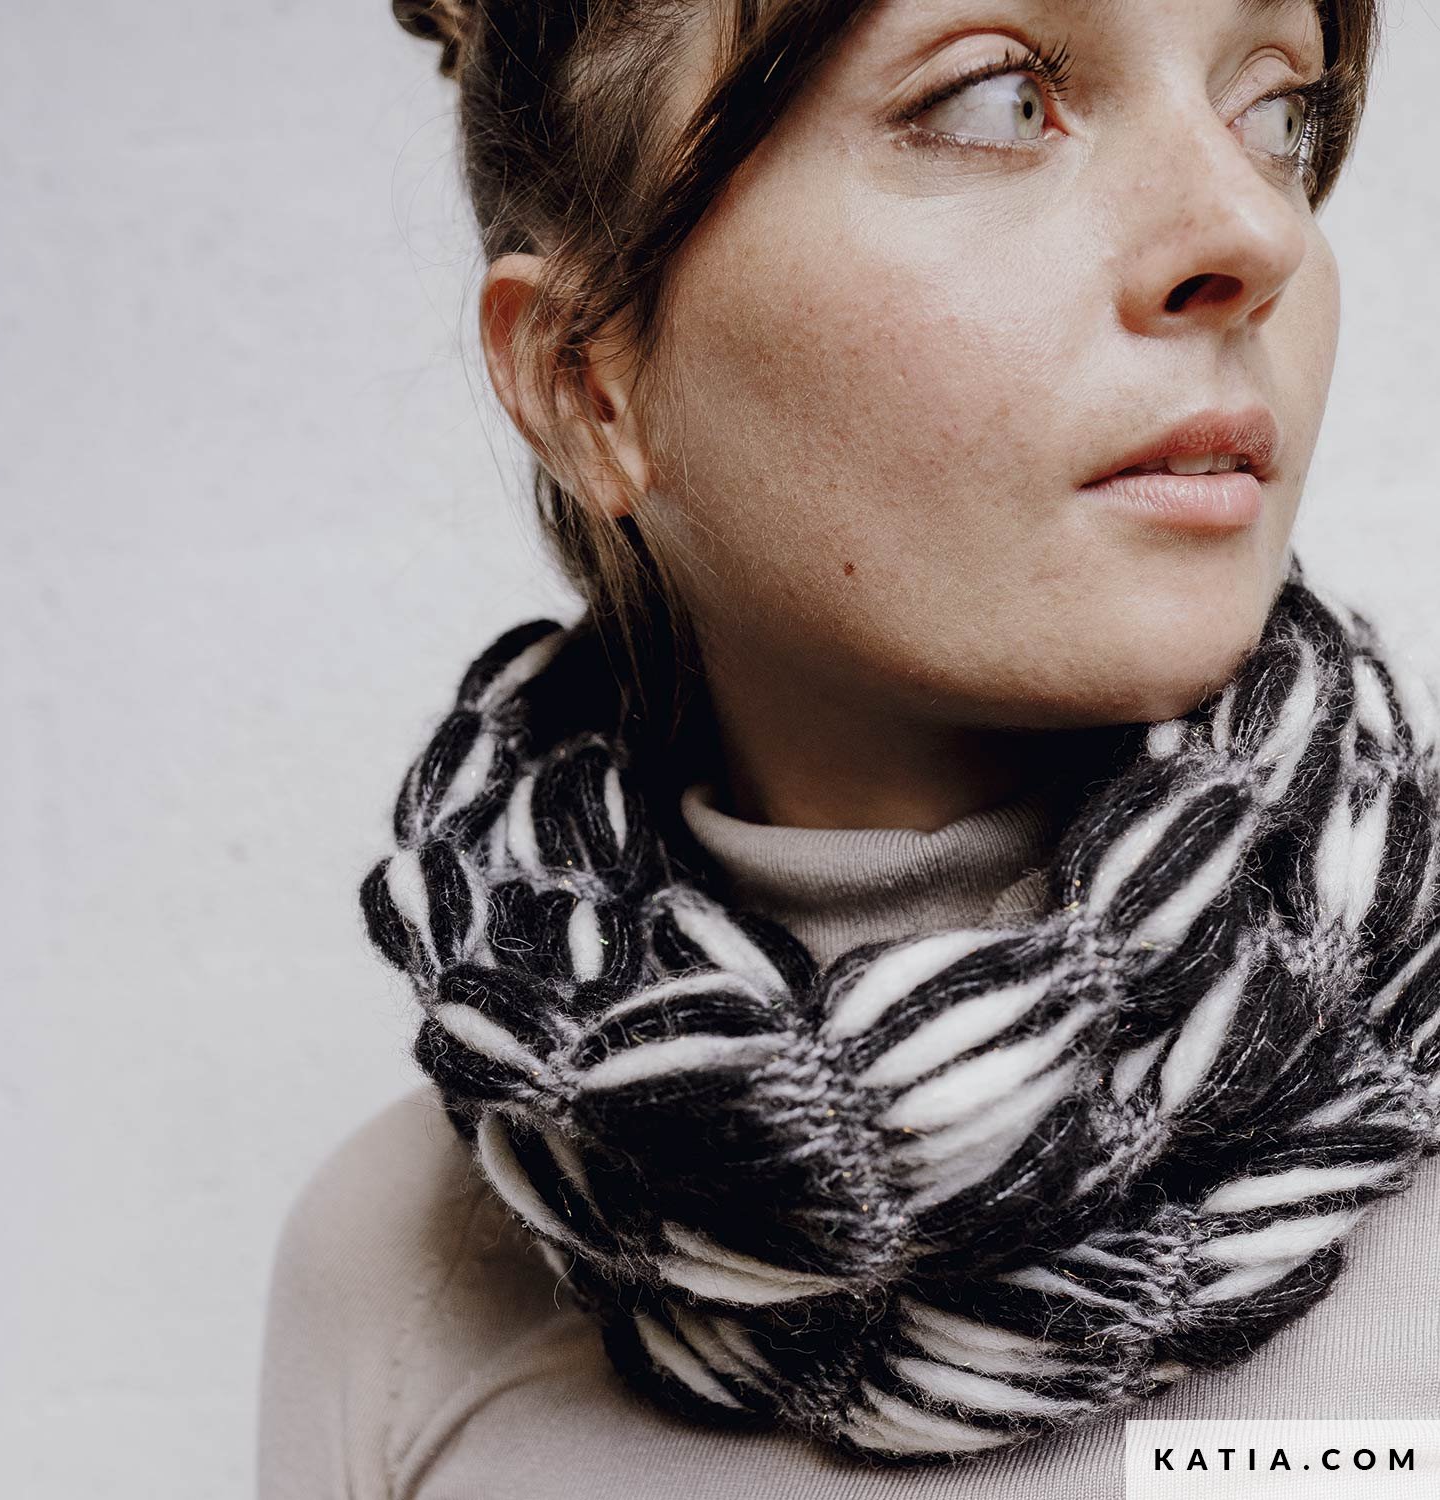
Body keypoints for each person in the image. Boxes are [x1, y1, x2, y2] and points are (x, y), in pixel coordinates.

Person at [257, 0, 1440, 1495]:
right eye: (997, 101)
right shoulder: (402, 1283)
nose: (1252, 233)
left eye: (1277, 110)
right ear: (586, 381)